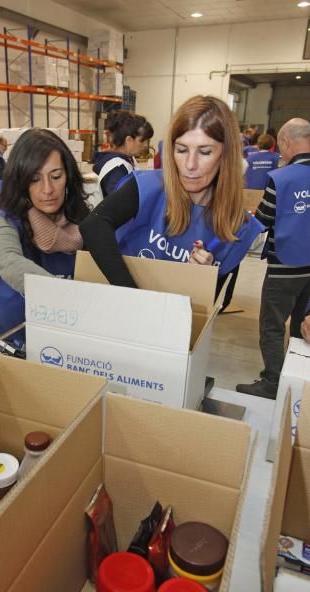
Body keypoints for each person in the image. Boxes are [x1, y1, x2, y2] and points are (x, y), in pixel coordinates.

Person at [79, 95, 263, 292]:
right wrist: (132, 294)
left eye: (205, 152)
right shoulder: (148, 186)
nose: (190, 165)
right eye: (182, 150)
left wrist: (205, 277)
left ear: (226, 155)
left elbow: (219, 301)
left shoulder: (238, 225)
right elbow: (94, 225)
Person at [0, 128, 90, 336]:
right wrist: (69, 297)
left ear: (68, 176)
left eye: (56, 176)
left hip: (61, 329)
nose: (47, 189)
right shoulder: (4, 218)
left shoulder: (82, 216)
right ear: (20, 181)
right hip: (9, 333)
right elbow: (7, 260)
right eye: (35, 179)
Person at [237, 118, 310, 399]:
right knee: (302, 324)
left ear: (287, 142)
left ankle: (272, 383)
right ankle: (296, 377)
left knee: (272, 325)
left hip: (284, 267)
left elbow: (264, 219)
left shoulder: (282, 178)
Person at [93, 111, 153, 197]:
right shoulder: (117, 169)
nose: (146, 145)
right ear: (128, 140)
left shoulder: (128, 159)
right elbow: (119, 204)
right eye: (142, 141)